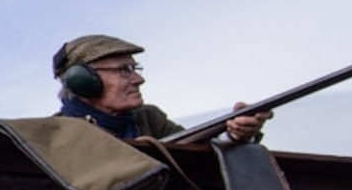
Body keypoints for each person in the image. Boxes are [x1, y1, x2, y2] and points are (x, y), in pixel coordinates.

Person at [51, 37, 265, 145]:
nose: (139, 79)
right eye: (123, 71)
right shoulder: (55, 136)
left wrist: (236, 135)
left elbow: (200, 157)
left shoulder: (149, 118)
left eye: (134, 69)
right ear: (83, 81)